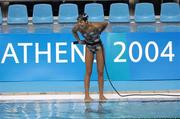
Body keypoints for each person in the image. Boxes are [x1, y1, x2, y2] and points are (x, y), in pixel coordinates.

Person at [72, 13, 108, 102]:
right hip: (88, 47)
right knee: (88, 72)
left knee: (100, 72)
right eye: (78, 22)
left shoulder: (95, 26)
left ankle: (101, 95)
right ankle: (87, 96)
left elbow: (106, 24)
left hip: (99, 47)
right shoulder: (78, 27)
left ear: (86, 21)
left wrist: (99, 32)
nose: (80, 24)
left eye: (81, 22)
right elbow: (73, 31)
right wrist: (79, 40)